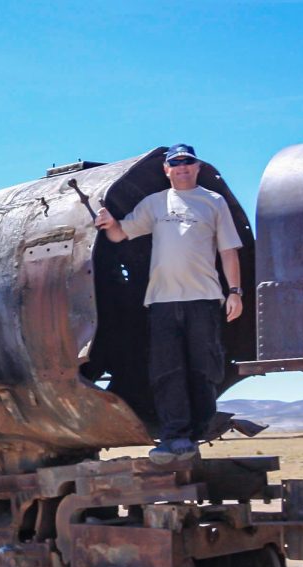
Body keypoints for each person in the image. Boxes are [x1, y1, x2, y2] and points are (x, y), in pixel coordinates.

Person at [94, 144, 243, 464]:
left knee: (204, 368)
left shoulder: (213, 202)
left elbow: (229, 250)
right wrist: (109, 223)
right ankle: (174, 437)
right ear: (167, 170)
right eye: (175, 163)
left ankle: (196, 432)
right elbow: (122, 235)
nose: (182, 167)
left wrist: (235, 292)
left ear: (197, 166)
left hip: (203, 298)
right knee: (167, 369)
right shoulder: (155, 203)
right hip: (162, 300)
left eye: (187, 162)